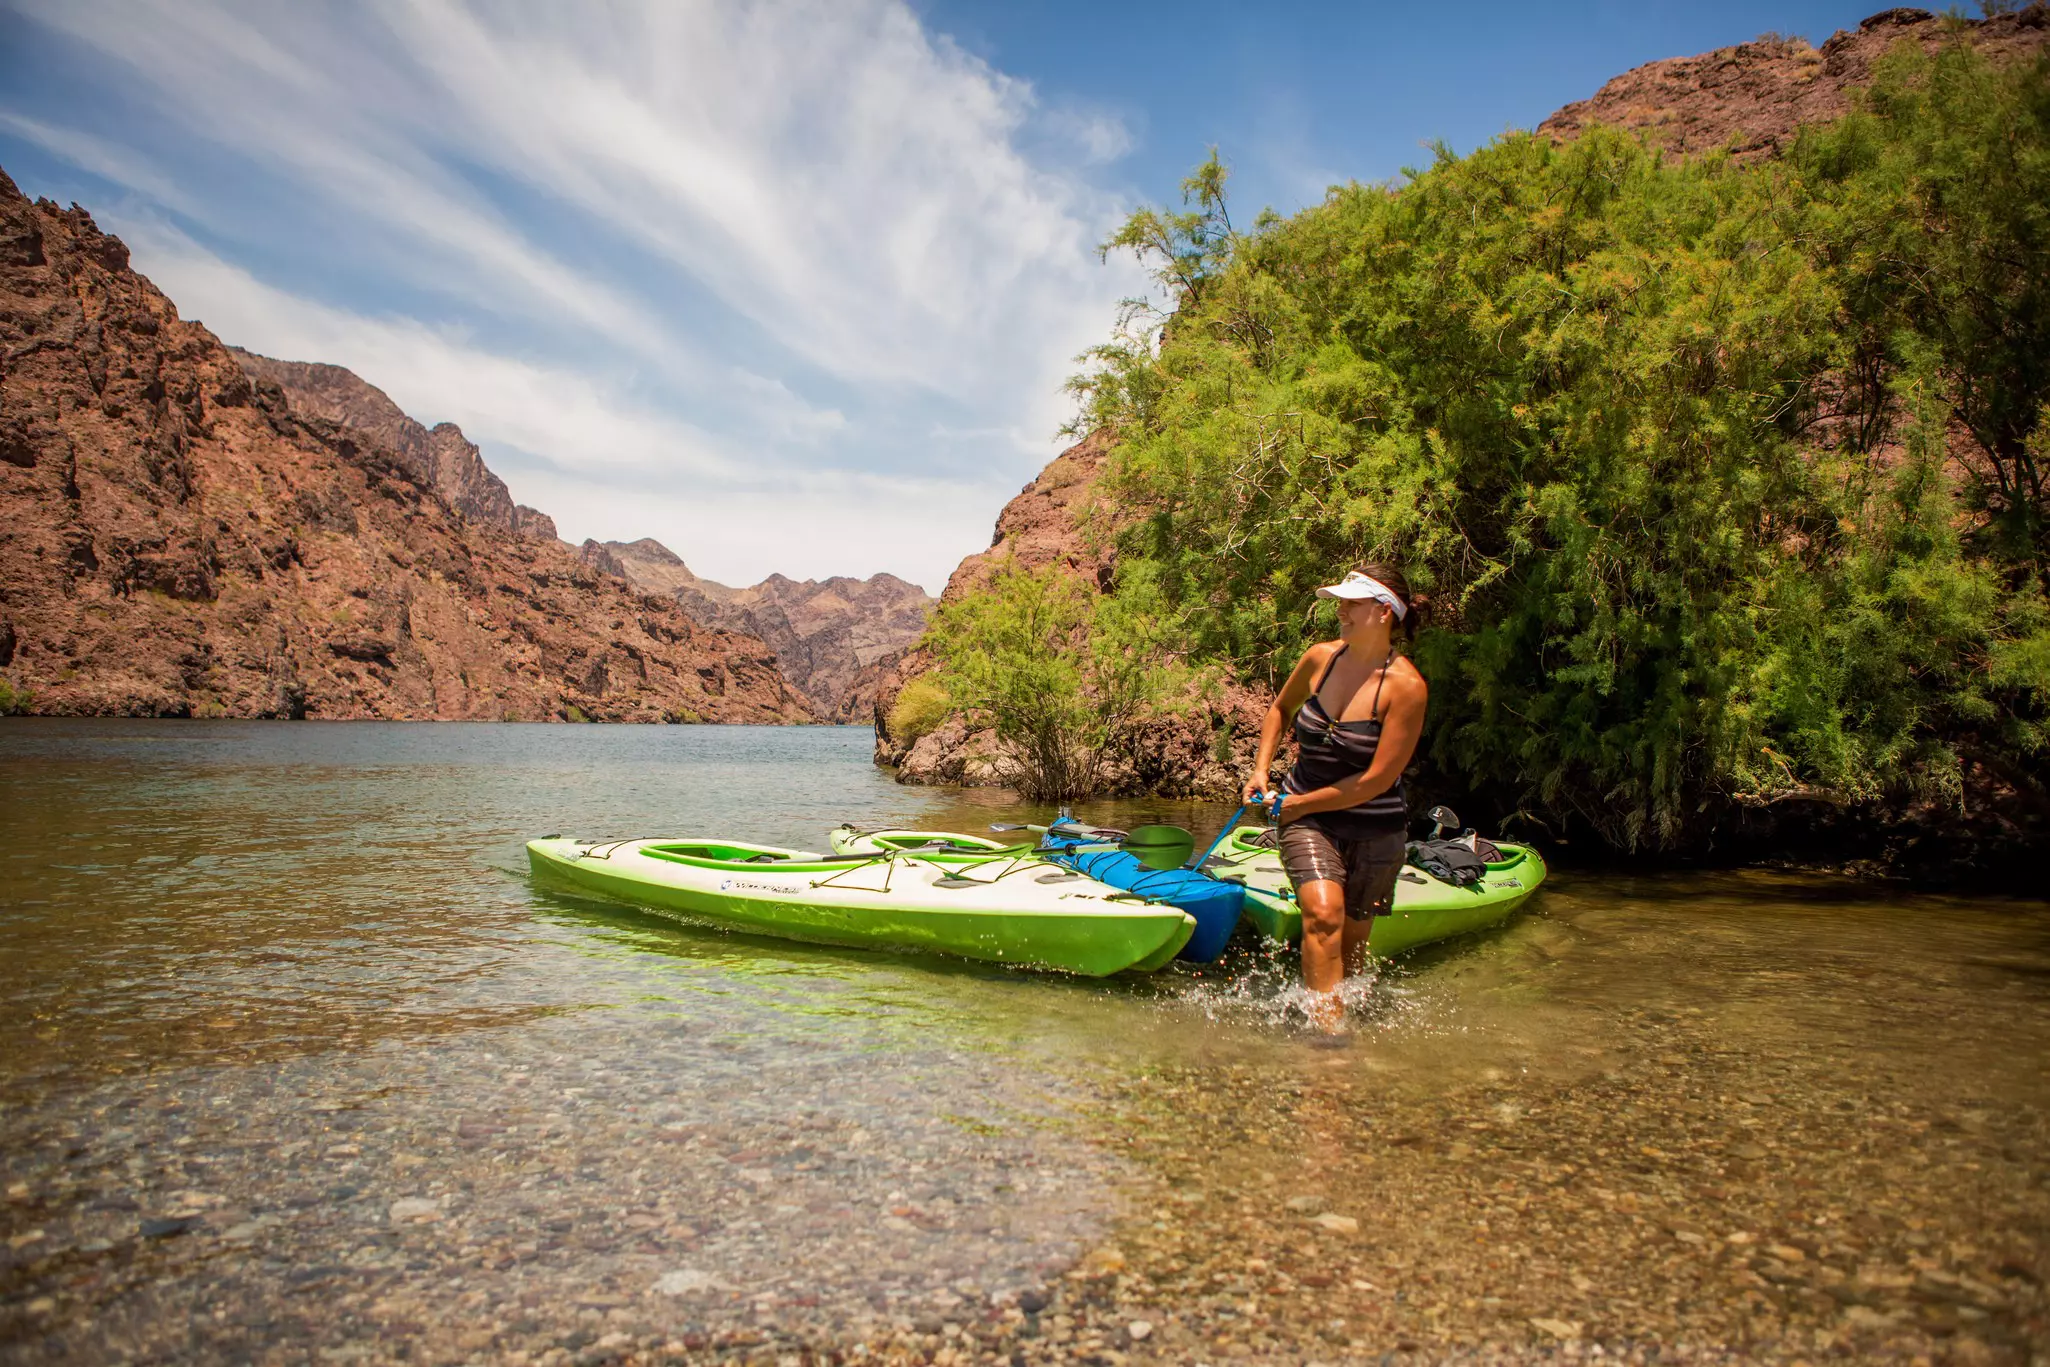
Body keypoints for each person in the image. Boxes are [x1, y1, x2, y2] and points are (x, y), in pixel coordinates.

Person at [1244, 564, 1429, 1031]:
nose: (1340, 610)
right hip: (1309, 817)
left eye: (1352, 603)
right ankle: (1328, 1039)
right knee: (1324, 915)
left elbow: (1376, 781)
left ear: (1384, 612)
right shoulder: (1320, 658)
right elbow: (1280, 709)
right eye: (1341, 602)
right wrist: (1262, 769)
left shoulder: (1407, 688)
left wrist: (1298, 804)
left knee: (1351, 945)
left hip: (1375, 826)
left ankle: (1343, 1014)